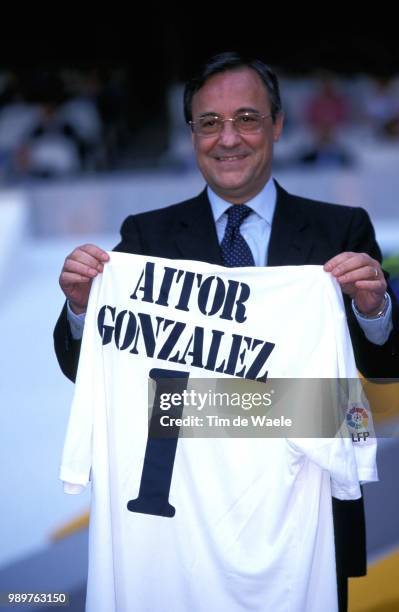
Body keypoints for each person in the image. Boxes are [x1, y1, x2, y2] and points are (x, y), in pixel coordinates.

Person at [54, 52, 399, 611]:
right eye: (209, 123)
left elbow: (382, 368)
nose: (228, 138)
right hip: (181, 528)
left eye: (247, 118)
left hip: (307, 522)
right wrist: (80, 309)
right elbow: (90, 367)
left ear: (278, 124)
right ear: (191, 134)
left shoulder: (342, 229)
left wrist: (373, 309)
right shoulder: (146, 237)